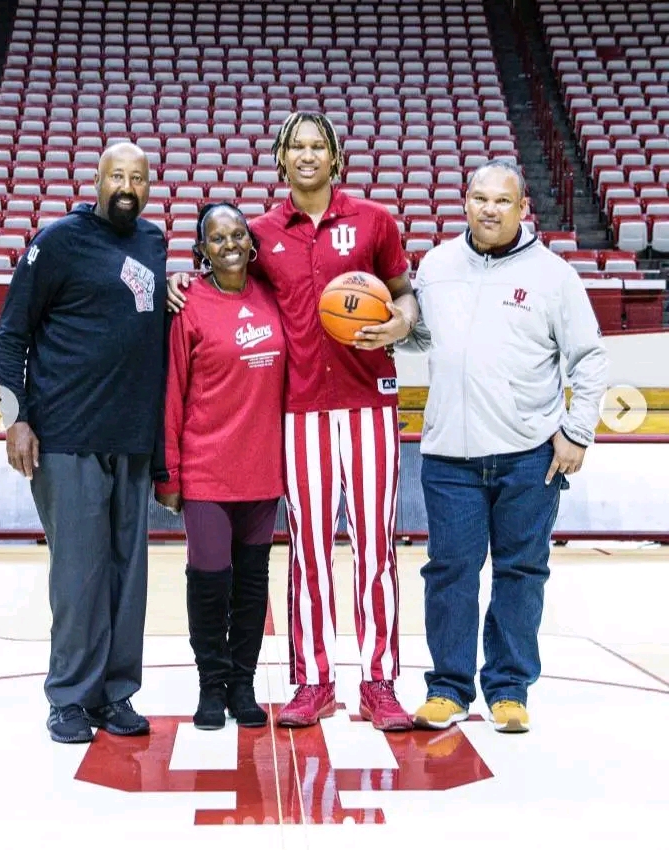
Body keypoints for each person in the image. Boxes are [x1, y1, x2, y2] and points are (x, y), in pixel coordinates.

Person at [168, 112, 420, 731]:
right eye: (296, 147)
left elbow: (404, 292)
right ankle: (313, 680)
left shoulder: (375, 221)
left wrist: (402, 323)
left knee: (375, 548)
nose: (307, 156)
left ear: (335, 157)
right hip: (299, 411)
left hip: (368, 404)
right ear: (281, 158)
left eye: (318, 147)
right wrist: (183, 280)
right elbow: (221, 284)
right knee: (306, 550)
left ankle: (379, 683)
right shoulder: (259, 235)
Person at [405, 159, 608, 733]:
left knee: (521, 571)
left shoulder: (554, 276)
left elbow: (589, 359)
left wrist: (577, 431)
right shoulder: (437, 265)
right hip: (449, 457)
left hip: (528, 455)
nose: (489, 209)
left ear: (523, 209)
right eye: (479, 198)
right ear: (465, 203)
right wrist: (391, 322)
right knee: (450, 572)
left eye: (503, 201)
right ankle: (447, 688)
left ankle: (509, 688)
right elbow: (421, 335)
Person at [0, 142, 168, 744]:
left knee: (128, 577)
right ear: (96, 181)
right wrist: (16, 419)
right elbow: (11, 335)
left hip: (132, 439)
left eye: (138, 177)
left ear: (149, 186)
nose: (128, 185)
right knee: (79, 575)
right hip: (65, 437)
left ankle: (115, 695)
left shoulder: (153, 242)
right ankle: (68, 698)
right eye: (117, 175)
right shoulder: (58, 240)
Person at [154, 203, 286, 731]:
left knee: (252, 584)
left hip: (263, 471)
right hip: (207, 471)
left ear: (250, 244)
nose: (230, 243)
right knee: (209, 581)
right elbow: (172, 395)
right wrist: (170, 474)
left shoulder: (273, 296)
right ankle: (211, 685)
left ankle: (243, 684)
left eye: (238, 234)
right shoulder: (188, 305)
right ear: (201, 251)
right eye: (217, 237)